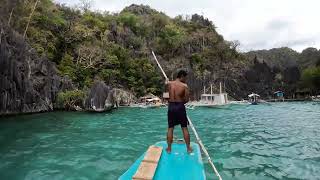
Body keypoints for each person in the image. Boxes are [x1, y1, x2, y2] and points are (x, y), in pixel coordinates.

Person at [165, 69, 192, 154]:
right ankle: (188, 148)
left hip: (171, 106)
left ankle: (169, 149)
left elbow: (165, 96)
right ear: (182, 76)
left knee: (170, 128)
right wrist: (180, 102)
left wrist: (170, 100)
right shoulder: (184, 86)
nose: (186, 80)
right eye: (185, 78)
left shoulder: (168, 84)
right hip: (180, 107)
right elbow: (187, 100)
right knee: (184, 128)